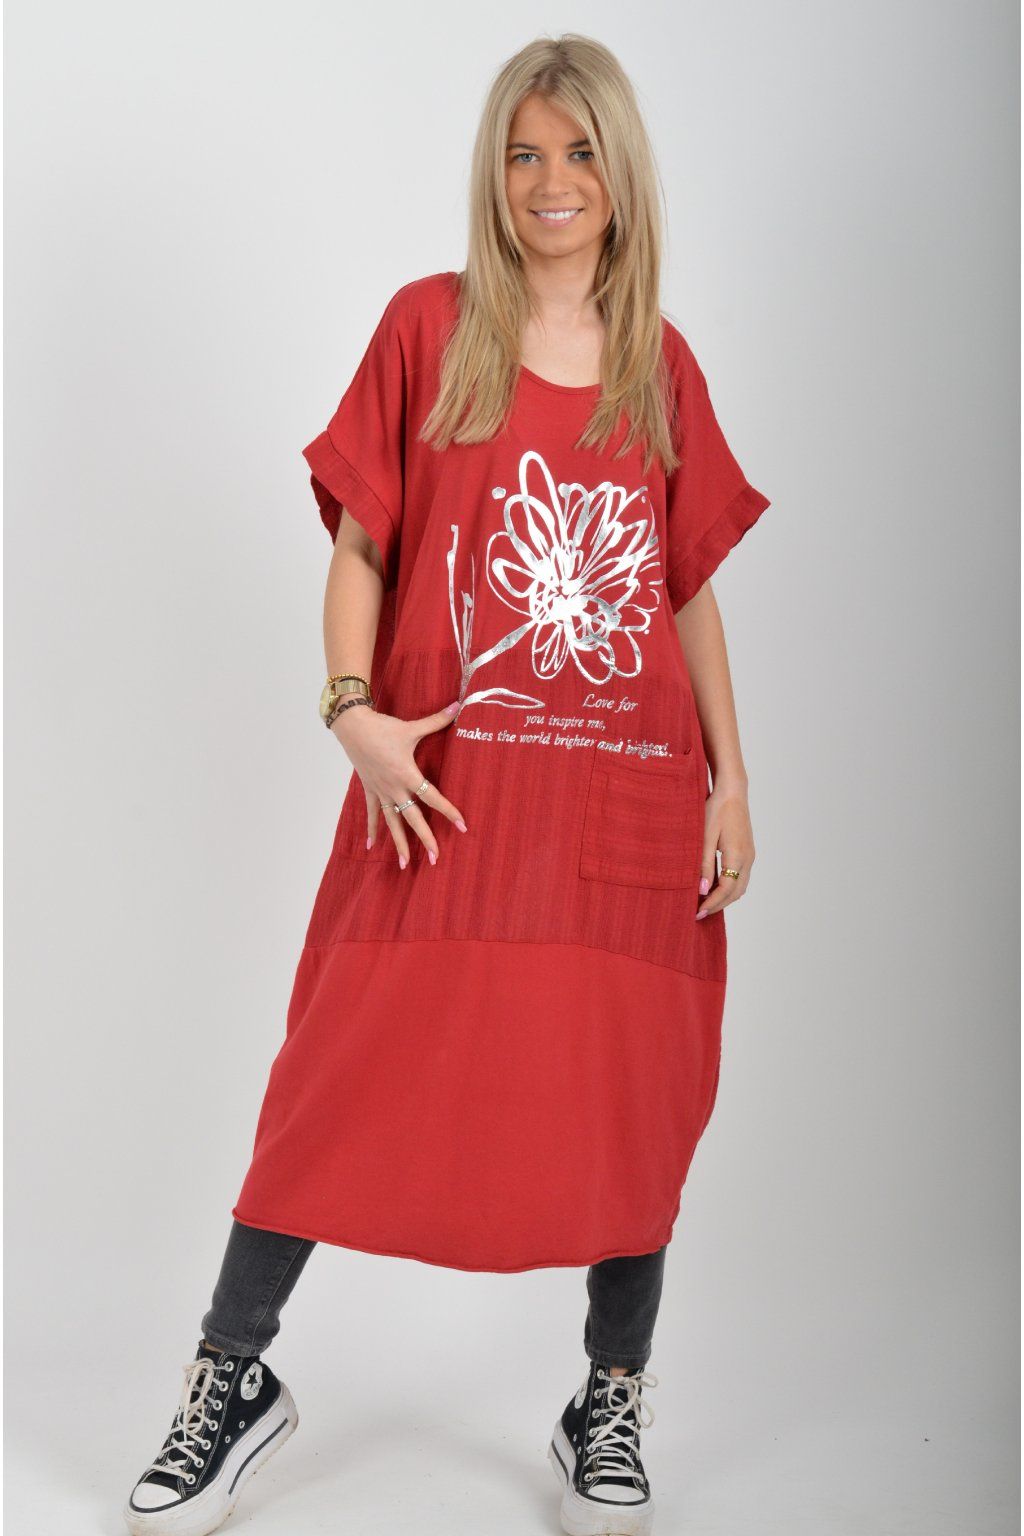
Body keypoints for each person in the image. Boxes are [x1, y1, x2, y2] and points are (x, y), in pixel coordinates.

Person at [122, 32, 770, 1536]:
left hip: (620, 805)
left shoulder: (660, 365)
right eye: (525, 152)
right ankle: (232, 1376)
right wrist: (351, 711)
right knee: (334, 1076)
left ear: (621, 174)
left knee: (628, 1094)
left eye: (580, 152)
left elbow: (684, 592)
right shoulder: (432, 329)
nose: (551, 181)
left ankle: (609, 1397)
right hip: (444, 800)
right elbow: (361, 547)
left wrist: (734, 780)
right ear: (495, 170)